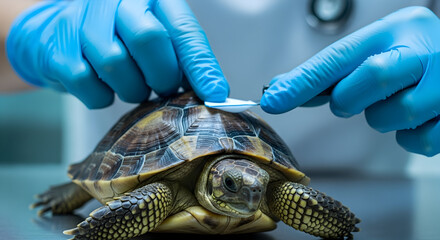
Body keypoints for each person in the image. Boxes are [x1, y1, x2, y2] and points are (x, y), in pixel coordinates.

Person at [5, 0, 440, 175]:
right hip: (145, 172)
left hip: (379, 194)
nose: (249, 188)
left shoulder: (257, 184)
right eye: (237, 185)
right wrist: (30, 31)